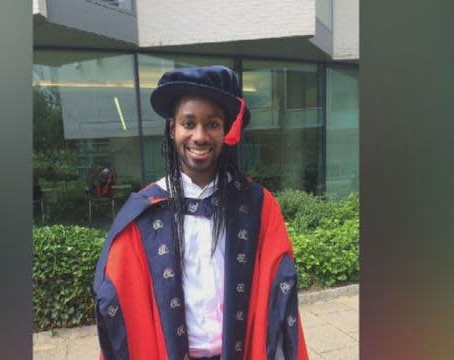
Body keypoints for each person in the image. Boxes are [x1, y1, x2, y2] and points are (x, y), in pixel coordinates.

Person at [93, 65, 309, 359]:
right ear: (172, 129)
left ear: (225, 131)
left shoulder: (257, 206)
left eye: (212, 124)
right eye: (188, 123)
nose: (199, 136)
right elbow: (117, 300)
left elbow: (279, 294)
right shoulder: (145, 213)